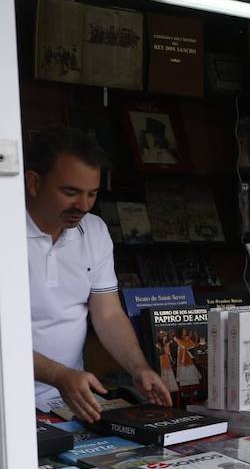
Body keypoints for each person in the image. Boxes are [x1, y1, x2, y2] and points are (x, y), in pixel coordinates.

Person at [26, 126, 172, 421]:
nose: (83, 205)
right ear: (33, 182)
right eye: (70, 192)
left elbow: (107, 314)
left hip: (68, 403)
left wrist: (138, 367)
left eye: (91, 193)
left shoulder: (94, 230)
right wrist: (59, 374)